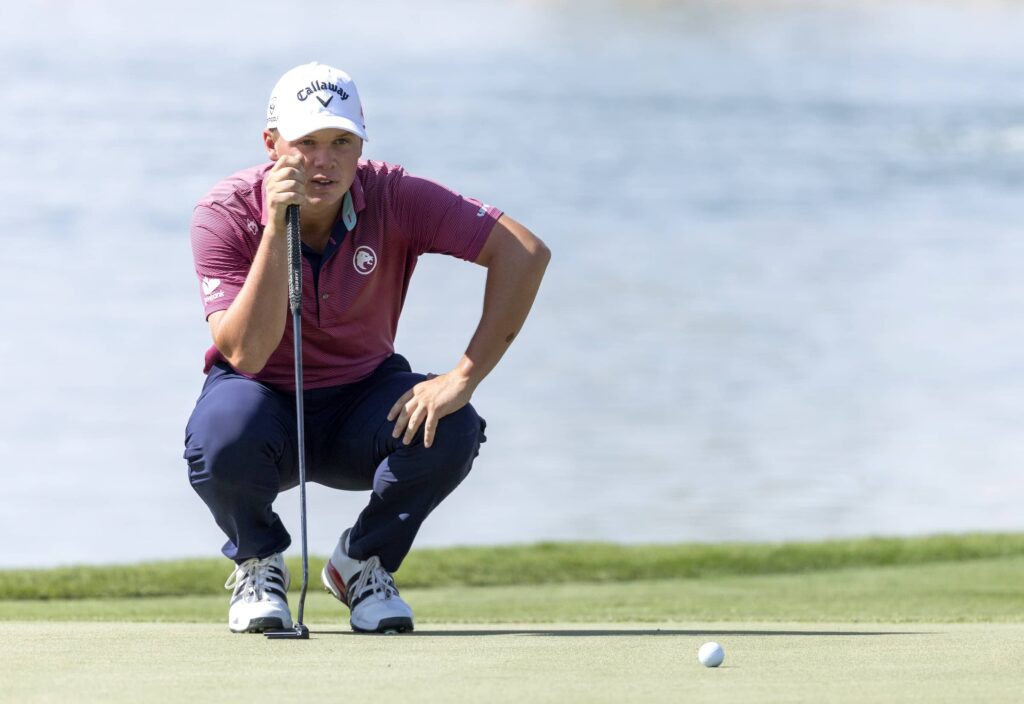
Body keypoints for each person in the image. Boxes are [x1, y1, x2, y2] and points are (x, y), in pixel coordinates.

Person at [183, 62, 550, 634]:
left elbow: (524, 253)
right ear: (271, 143)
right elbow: (246, 355)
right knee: (219, 437)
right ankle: (259, 562)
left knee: (450, 424)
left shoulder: (394, 195)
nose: (323, 161)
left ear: (360, 146)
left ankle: (363, 563)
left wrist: (463, 377)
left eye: (340, 142)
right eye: (305, 142)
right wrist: (278, 224)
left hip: (363, 401)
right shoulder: (225, 212)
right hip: (262, 405)